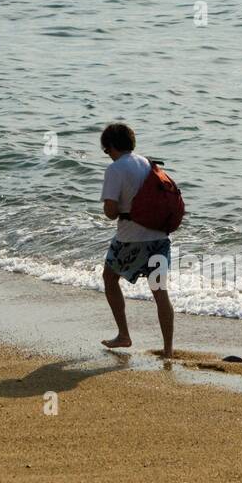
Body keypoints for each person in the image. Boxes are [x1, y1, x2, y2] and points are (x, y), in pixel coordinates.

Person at [98, 122, 174, 358]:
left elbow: (111, 212)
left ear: (111, 146)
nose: (108, 156)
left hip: (131, 238)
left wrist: (115, 208)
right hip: (160, 237)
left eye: (106, 151)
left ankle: (124, 335)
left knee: (110, 278)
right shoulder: (147, 163)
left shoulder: (115, 169)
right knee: (160, 291)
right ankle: (168, 349)